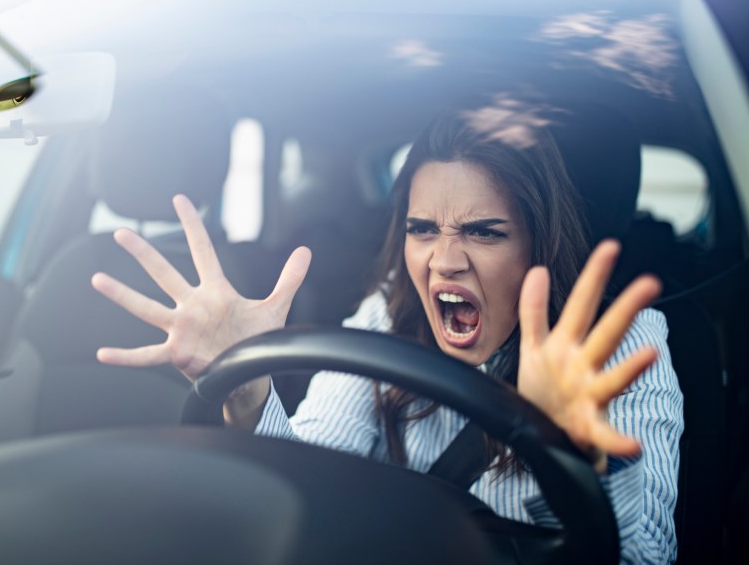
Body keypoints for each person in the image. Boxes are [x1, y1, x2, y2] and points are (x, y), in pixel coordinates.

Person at [91, 113, 683, 563]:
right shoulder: (390, 310)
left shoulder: (616, 342)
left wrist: (572, 460)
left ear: (538, 247)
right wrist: (245, 390)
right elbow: (318, 474)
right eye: (422, 229)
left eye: (483, 232)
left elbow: (649, 554)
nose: (443, 262)